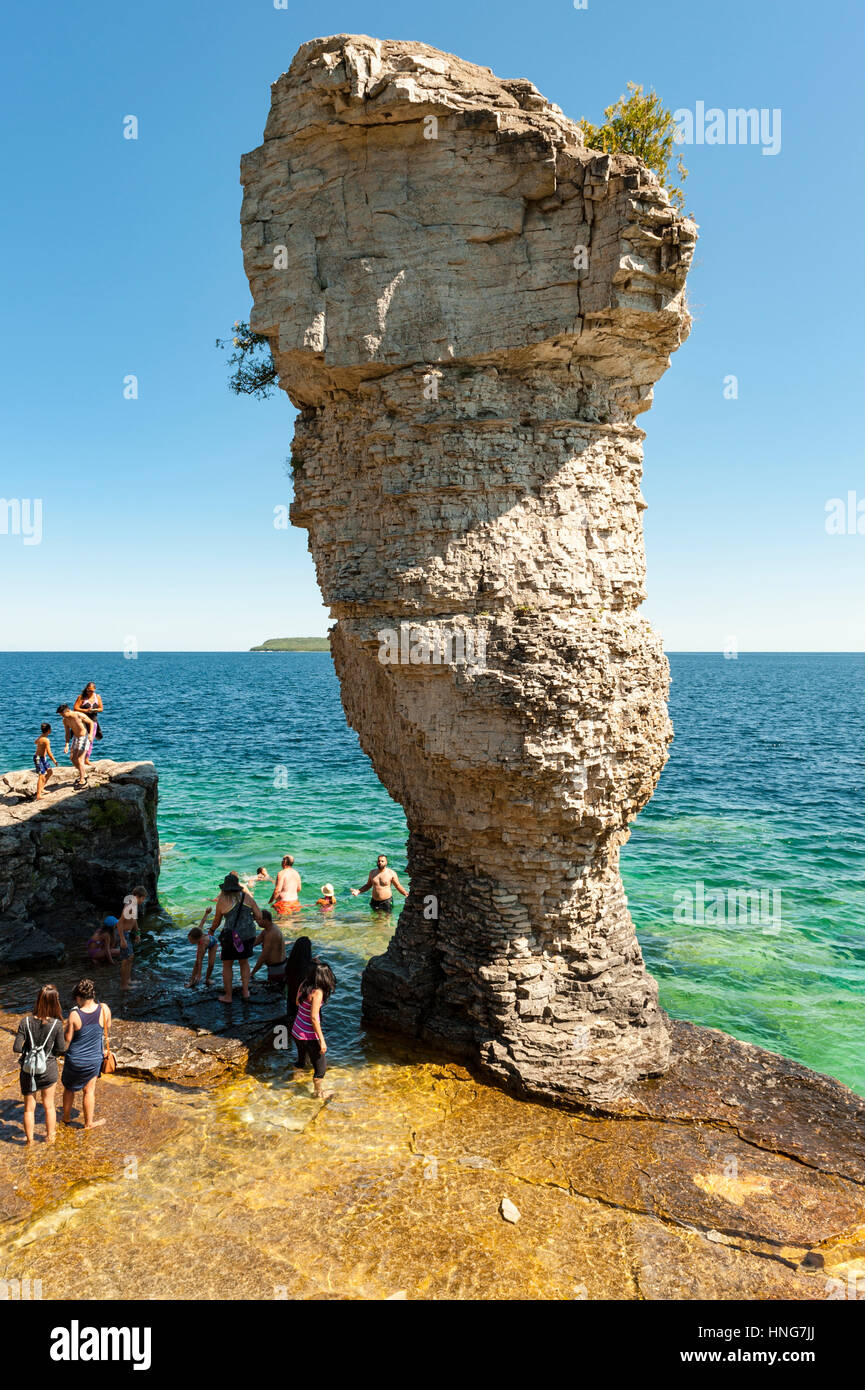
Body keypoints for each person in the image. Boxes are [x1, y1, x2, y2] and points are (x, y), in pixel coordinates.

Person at [13, 984, 67, 1145]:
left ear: (38, 1000)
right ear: (55, 1003)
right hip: (48, 1069)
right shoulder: (56, 1025)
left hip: (28, 1071)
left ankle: (29, 1142)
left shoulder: (25, 1022)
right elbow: (61, 1049)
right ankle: (50, 1138)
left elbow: (16, 1048)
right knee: (49, 1106)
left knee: (29, 1108)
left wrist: (30, 1050)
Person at [62, 979, 112, 1130]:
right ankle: (88, 1123)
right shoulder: (104, 1009)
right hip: (94, 1059)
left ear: (79, 997)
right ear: (93, 994)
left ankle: (65, 1118)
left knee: (69, 1089)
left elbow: (68, 1038)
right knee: (89, 1091)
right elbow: (107, 1027)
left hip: (75, 1060)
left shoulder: (74, 1014)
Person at [213, 872, 263, 1002]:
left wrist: (211, 930)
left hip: (231, 937)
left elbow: (217, 921)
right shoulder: (248, 898)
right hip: (248, 935)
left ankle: (228, 996)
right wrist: (249, 918)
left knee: (227, 965)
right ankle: (245, 992)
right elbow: (259, 916)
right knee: (244, 962)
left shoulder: (222, 901)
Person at [291, 959, 336, 1099]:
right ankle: (318, 1094)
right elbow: (314, 1018)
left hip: (296, 1031)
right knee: (320, 1070)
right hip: (309, 1036)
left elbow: (297, 1002)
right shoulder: (318, 992)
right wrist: (322, 1041)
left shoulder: (304, 984)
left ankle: (296, 1078)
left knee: (301, 1060)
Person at [56, 704, 95, 788]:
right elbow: (67, 733)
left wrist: (91, 734)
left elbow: (91, 723)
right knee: (73, 759)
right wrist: (66, 744)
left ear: (67, 711)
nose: (62, 716)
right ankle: (84, 775)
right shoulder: (65, 720)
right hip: (75, 738)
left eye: (62, 714)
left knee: (80, 759)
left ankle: (83, 780)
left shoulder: (79, 715)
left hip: (84, 737)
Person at [116, 886, 146, 991]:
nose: (143, 901)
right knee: (126, 960)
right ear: (137, 896)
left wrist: (137, 933)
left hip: (128, 934)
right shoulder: (129, 906)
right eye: (143, 898)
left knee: (131, 957)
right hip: (124, 934)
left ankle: (128, 980)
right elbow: (119, 923)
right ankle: (124, 984)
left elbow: (134, 920)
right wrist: (122, 939)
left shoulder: (134, 905)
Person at [250, 909, 287, 988]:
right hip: (275, 968)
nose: (256, 922)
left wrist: (252, 973)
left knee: (273, 992)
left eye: (258, 920)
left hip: (277, 969)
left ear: (266, 920)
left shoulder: (272, 933)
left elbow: (264, 956)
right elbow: (255, 942)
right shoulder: (268, 929)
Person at [283, 936, 313, 1029]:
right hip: (304, 1006)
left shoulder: (289, 964)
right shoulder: (311, 969)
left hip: (291, 1001)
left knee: (292, 1024)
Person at [186, 907, 219, 987]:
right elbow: (203, 921)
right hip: (205, 942)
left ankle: (207, 979)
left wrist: (200, 974)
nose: (189, 941)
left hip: (213, 943)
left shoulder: (201, 945)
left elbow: (201, 961)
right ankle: (191, 981)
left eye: (191, 940)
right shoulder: (198, 930)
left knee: (211, 964)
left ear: (196, 939)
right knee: (196, 962)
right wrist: (206, 913)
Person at [73, 682, 103, 764]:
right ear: (86, 689)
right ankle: (77, 758)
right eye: (89, 690)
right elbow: (75, 708)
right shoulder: (81, 697)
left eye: (92, 691)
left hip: (93, 721)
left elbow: (101, 708)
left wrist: (95, 710)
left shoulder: (97, 697)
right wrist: (85, 710)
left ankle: (86, 758)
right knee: (80, 740)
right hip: (82, 722)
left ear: (94, 690)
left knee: (90, 740)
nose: (90, 692)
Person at [33, 722, 58, 799]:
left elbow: (35, 742)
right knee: (41, 776)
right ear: (49, 730)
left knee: (50, 772)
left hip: (42, 758)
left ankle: (42, 788)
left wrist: (41, 737)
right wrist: (54, 761)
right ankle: (38, 795)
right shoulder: (46, 740)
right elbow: (49, 752)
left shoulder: (41, 737)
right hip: (38, 758)